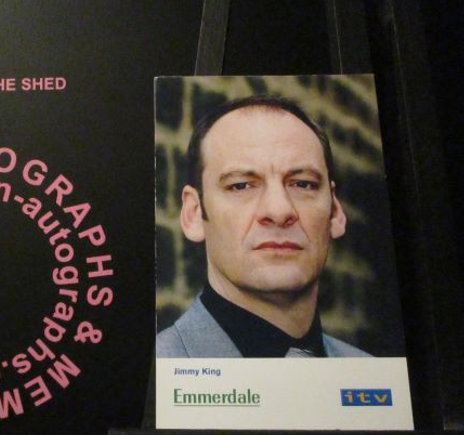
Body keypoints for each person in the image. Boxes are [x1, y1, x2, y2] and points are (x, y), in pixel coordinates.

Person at [156, 95, 371, 358]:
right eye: (240, 185)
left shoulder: (368, 369)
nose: (279, 211)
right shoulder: (154, 370)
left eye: (302, 184)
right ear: (194, 213)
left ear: (335, 212)